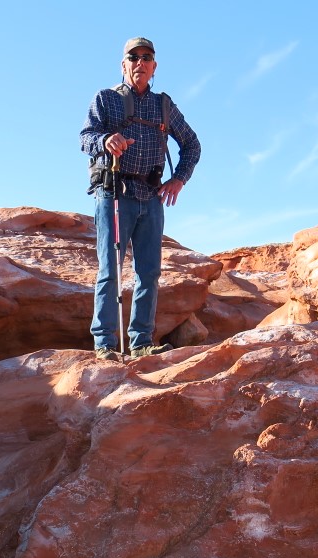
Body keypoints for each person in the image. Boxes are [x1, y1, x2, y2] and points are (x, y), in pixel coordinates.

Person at [80, 37, 201, 360]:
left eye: (146, 57)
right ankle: (104, 343)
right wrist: (106, 140)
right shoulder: (106, 99)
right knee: (110, 269)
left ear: (154, 67)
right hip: (114, 194)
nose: (140, 62)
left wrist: (179, 179)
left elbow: (192, 144)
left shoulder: (164, 106)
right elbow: (85, 138)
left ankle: (141, 342)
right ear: (124, 64)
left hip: (151, 196)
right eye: (133, 57)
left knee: (149, 272)